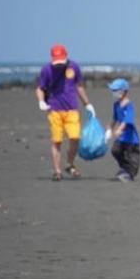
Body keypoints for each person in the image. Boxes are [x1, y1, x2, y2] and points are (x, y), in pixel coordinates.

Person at [35, 43, 95, 181]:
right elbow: (40, 88)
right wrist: (41, 101)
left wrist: (87, 103)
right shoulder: (47, 69)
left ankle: (69, 164)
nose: (59, 64)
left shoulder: (74, 67)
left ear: (66, 56)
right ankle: (57, 171)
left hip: (72, 109)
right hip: (54, 110)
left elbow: (79, 86)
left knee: (75, 138)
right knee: (57, 141)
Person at [105, 78, 140, 182]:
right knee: (115, 151)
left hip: (131, 139)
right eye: (112, 91)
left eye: (115, 91)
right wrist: (109, 129)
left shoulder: (129, 105)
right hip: (121, 138)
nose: (113, 93)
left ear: (124, 92)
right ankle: (125, 169)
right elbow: (114, 118)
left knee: (132, 157)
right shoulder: (116, 105)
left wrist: (119, 129)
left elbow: (127, 120)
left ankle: (130, 173)